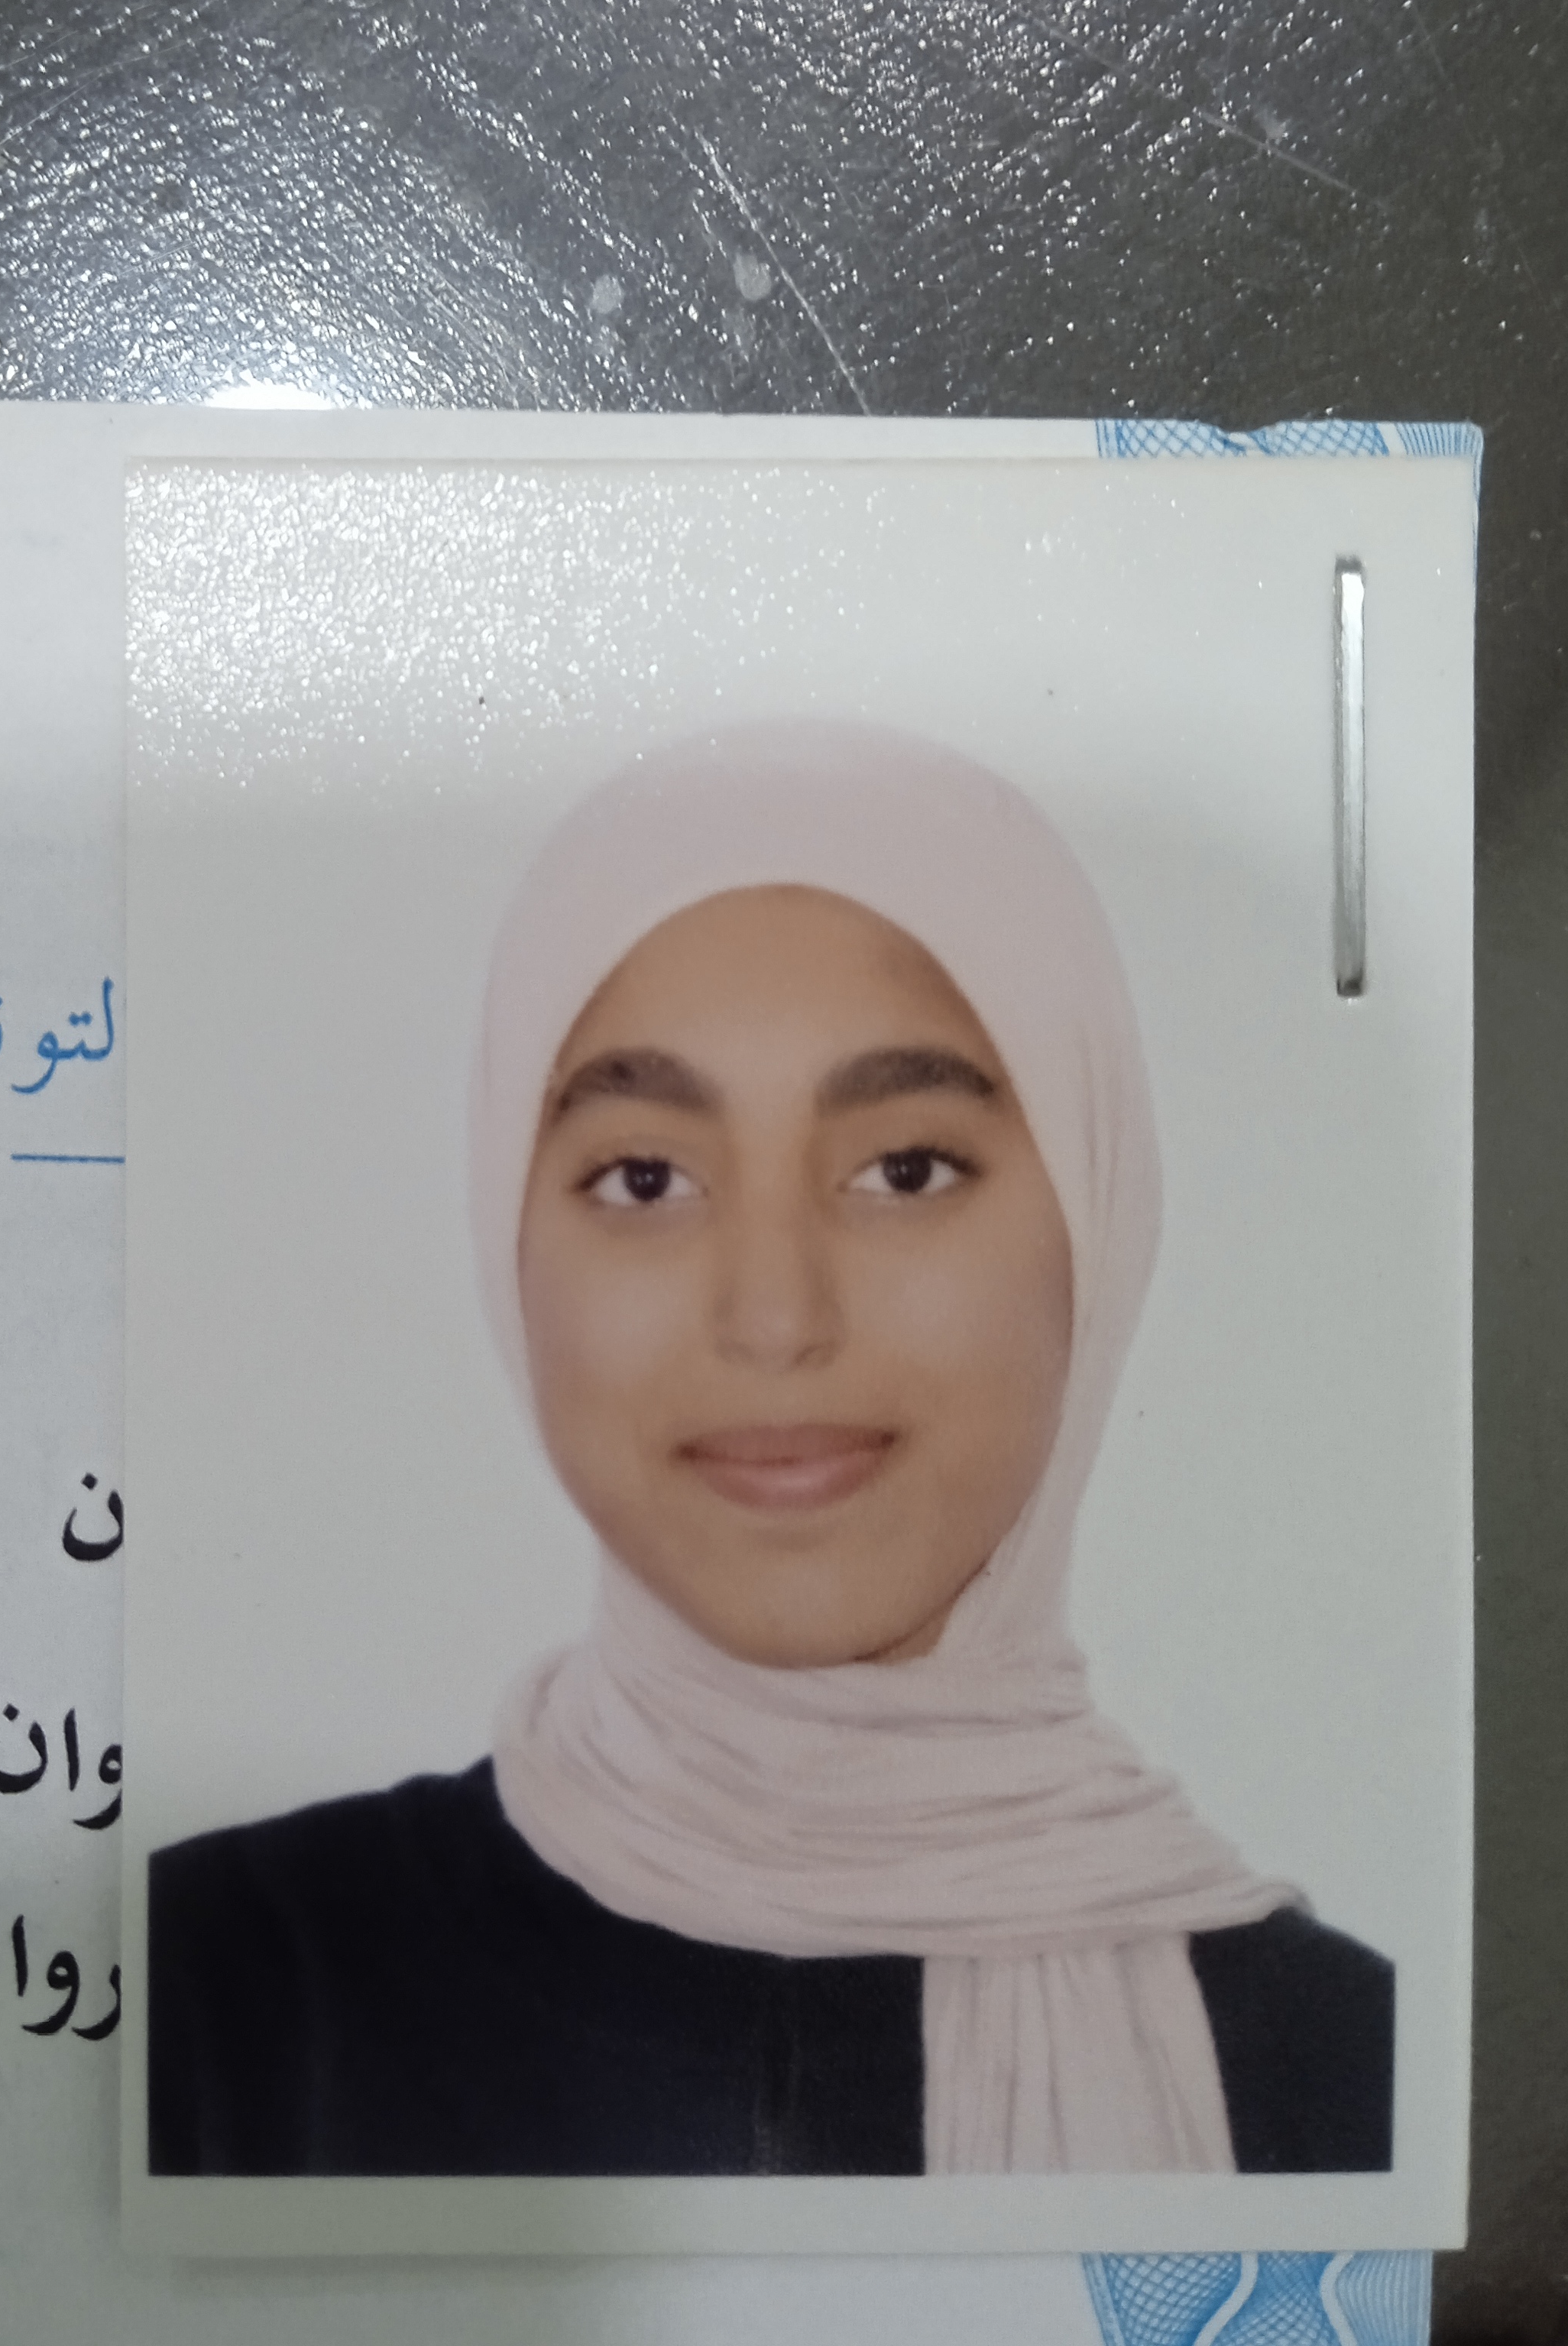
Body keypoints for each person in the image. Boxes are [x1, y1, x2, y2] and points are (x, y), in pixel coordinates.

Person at [148, 723, 1393, 2176]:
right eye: (646, 1178)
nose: (776, 1318)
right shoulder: (209, 2004)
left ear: (1096, 1220)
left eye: (905, 1170)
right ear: (508, 1245)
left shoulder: (1348, 2087)